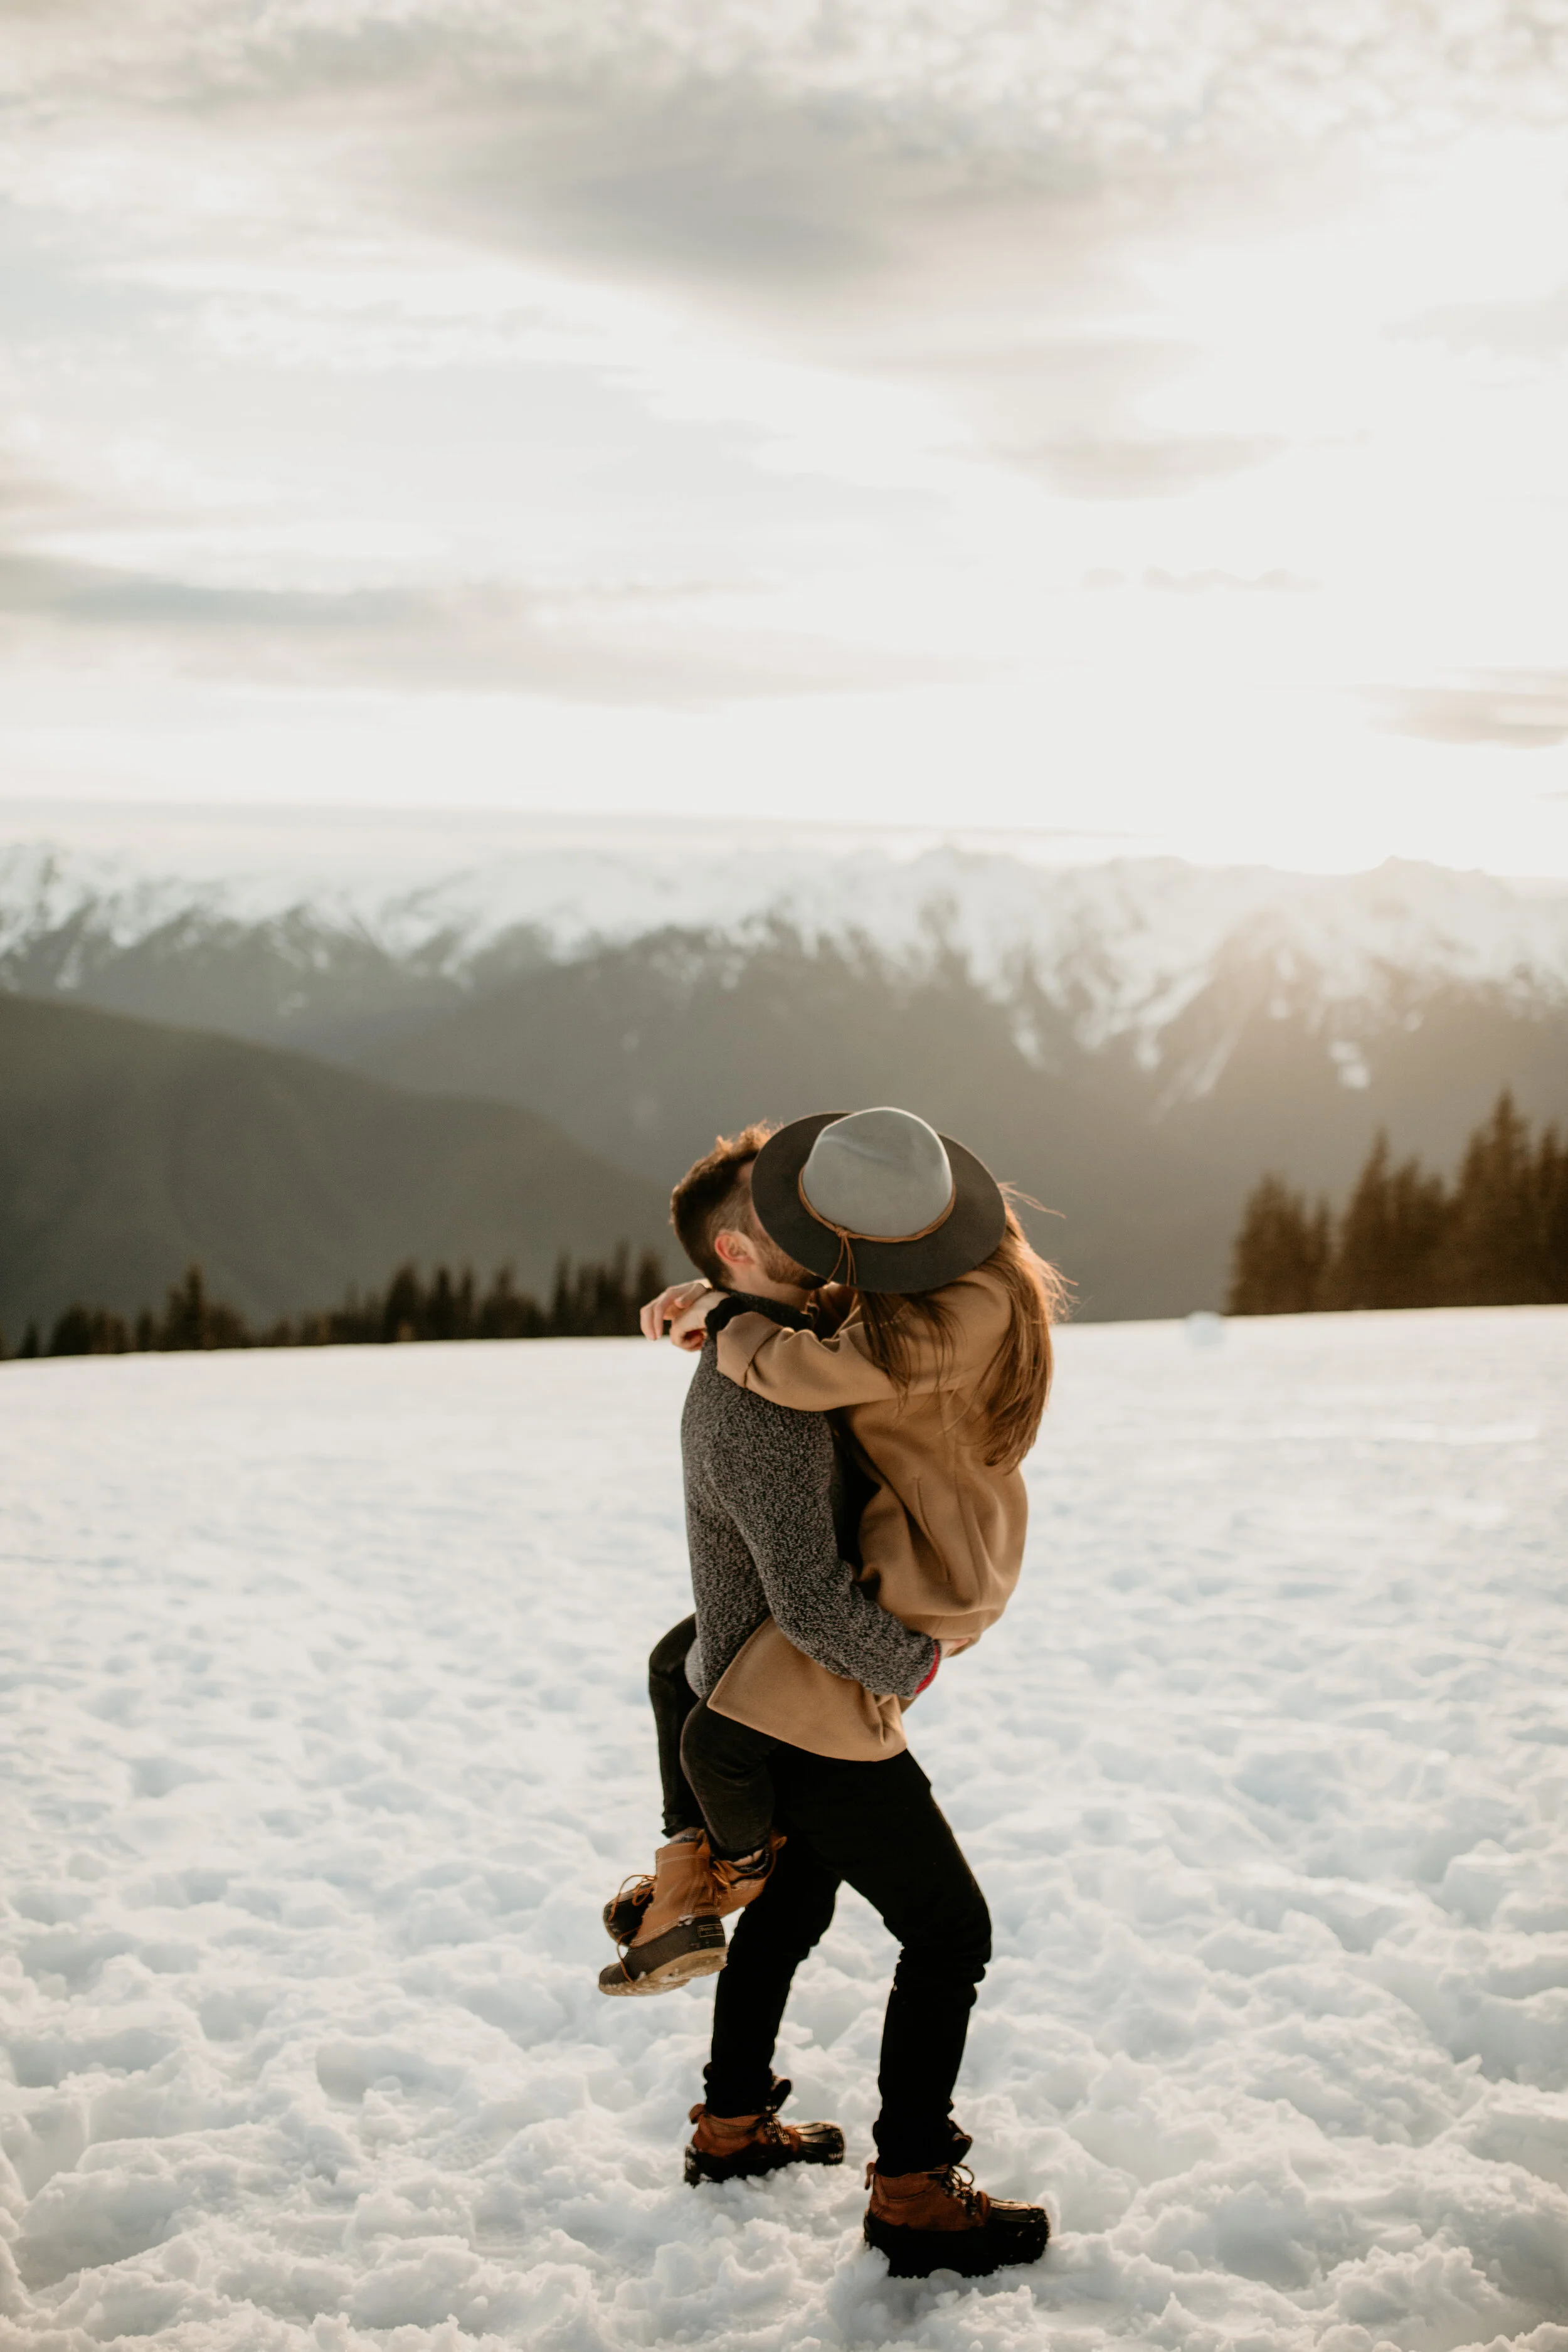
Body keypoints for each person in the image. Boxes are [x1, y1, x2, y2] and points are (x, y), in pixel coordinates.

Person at [607, 1109, 1059, 2279]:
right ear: (748, 1256)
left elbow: (817, 1324)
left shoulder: (823, 1322)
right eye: (780, 1222)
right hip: (807, 1691)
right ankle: (912, 2190)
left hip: (783, 1682)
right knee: (951, 1932)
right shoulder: (768, 1388)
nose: (817, 1230)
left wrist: (721, 1303)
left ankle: (731, 2120)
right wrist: (904, 1665)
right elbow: (809, 1598)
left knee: (797, 1906)